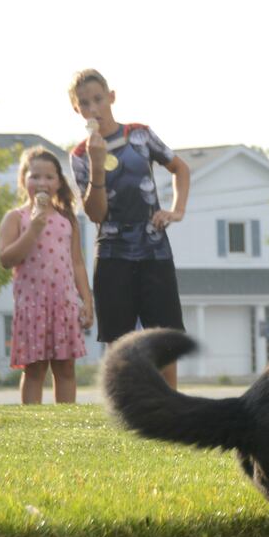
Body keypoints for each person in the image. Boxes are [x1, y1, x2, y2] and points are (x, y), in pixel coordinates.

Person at [68, 68, 190, 388]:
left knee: (164, 335)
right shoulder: (80, 155)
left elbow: (180, 168)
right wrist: (96, 166)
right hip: (112, 252)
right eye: (85, 103)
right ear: (76, 109)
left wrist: (176, 210)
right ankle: (127, 408)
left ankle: (170, 407)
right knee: (119, 339)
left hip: (153, 248)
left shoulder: (139, 134)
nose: (93, 108)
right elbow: (96, 214)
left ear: (111, 97)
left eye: (98, 99)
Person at [0, 147, 94, 404]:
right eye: (35, 176)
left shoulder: (67, 219)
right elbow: (6, 259)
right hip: (32, 306)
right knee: (35, 369)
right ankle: (32, 422)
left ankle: (66, 421)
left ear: (59, 182)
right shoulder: (15, 218)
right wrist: (34, 229)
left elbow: (77, 263)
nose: (42, 183)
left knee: (65, 369)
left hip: (63, 304)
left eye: (49, 177)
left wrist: (87, 300)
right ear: (23, 180)